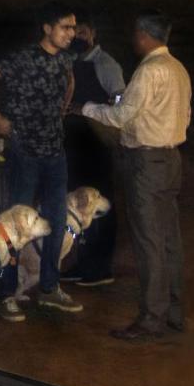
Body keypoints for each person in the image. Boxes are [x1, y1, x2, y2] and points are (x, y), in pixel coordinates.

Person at [81, 11, 192, 341]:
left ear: (144, 35)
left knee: (149, 242)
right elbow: (185, 115)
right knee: (169, 239)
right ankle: (173, 311)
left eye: (135, 34)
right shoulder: (178, 69)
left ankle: (151, 318)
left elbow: (122, 116)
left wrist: (86, 108)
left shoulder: (149, 70)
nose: (133, 39)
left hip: (146, 162)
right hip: (171, 158)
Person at [0, 2, 82, 320]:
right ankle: (6, 293)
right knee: (17, 225)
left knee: (57, 221)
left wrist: (63, 107)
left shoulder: (65, 58)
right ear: (47, 28)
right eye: (65, 27)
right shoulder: (23, 58)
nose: (71, 33)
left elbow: (70, 81)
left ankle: (49, 289)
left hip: (55, 153)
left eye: (73, 27)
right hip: (25, 152)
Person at [62, 15, 126, 287]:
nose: (78, 37)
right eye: (75, 32)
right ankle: (84, 264)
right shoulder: (71, 62)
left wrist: (95, 111)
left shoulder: (105, 64)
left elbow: (122, 100)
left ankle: (100, 269)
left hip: (97, 144)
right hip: (74, 145)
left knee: (101, 205)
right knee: (79, 204)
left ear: (94, 34)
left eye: (84, 32)